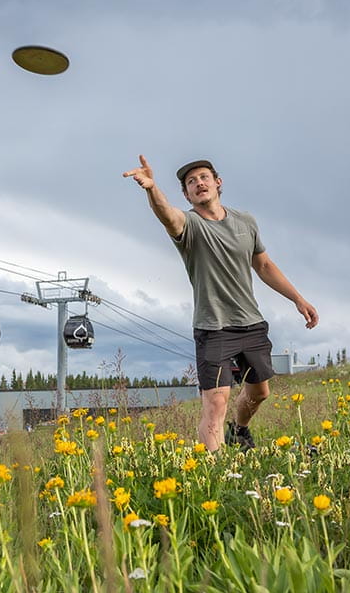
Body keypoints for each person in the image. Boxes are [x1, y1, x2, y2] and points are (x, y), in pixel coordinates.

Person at [123, 155, 319, 451]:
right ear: (187, 195)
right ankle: (216, 476)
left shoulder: (246, 221)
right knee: (216, 402)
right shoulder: (188, 225)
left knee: (260, 392)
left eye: (203, 177)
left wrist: (298, 299)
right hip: (213, 328)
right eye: (191, 182)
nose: (198, 183)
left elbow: (263, 265)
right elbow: (167, 214)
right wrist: (152, 189)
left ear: (217, 182)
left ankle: (239, 431)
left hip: (251, 323)